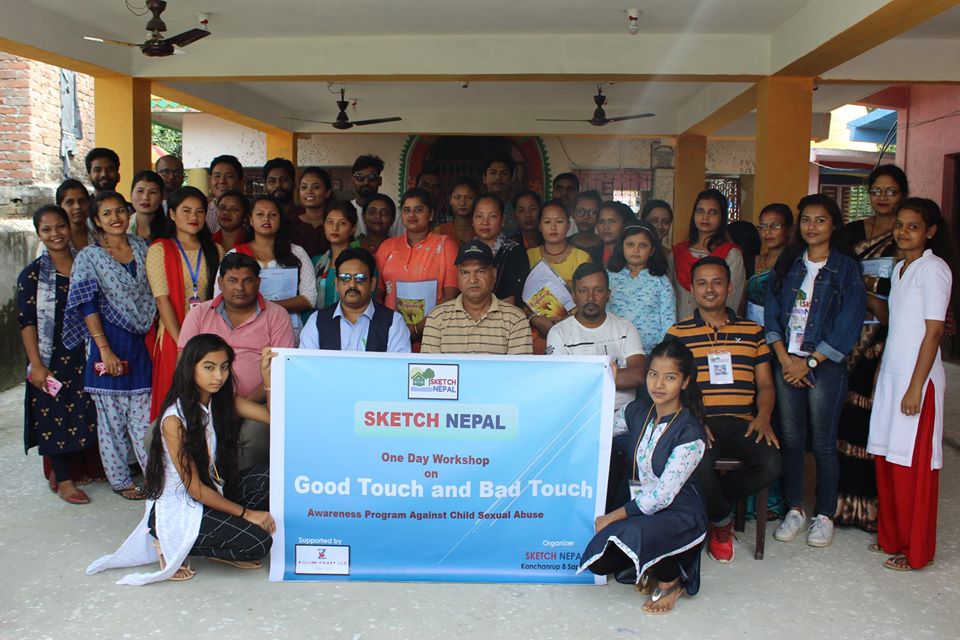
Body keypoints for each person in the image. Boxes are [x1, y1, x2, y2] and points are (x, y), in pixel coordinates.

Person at [86, 335, 277, 585]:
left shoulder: (224, 400)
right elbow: (194, 489)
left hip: (213, 489)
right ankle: (168, 539)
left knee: (272, 476)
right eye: (209, 367)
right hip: (182, 505)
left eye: (224, 367)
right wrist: (246, 513)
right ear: (190, 368)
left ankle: (222, 532)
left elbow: (274, 417)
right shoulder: (174, 420)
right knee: (259, 542)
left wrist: (267, 377)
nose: (218, 376)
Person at [765, 194, 866, 548]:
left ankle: (824, 514)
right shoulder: (789, 263)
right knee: (792, 440)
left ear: (834, 225)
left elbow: (849, 322)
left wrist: (808, 363)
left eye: (820, 220)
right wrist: (785, 359)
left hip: (824, 366)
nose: (812, 226)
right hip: (787, 361)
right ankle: (795, 508)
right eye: (806, 219)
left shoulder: (846, 268)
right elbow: (772, 313)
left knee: (823, 442)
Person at [578, 338, 708, 616]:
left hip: (680, 514)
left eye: (670, 377)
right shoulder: (637, 412)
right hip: (642, 510)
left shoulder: (690, 433)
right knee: (600, 561)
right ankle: (650, 565)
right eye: (653, 374)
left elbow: (662, 496)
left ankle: (672, 580)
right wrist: (606, 383)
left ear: (685, 382)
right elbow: (600, 429)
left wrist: (612, 517)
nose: (658, 384)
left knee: (634, 532)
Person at [666, 256, 781, 564]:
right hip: (700, 422)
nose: (710, 289)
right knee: (696, 461)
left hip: (744, 422)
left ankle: (714, 507)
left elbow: (766, 385)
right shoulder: (678, 333)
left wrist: (763, 417)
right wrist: (692, 421)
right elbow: (671, 386)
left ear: (730, 287)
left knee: (772, 463)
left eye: (717, 282)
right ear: (691, 289)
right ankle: (721, 523)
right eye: (702, 283)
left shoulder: (753, 331)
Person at [868, 198, 955, 571]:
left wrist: (916, 386)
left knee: (911, 465)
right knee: (888, 458)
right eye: (899, 225)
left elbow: (933, 332)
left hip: (917, 380)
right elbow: (897, 322)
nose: (903, 232)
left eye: (913, 226)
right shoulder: (901, 267)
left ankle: (915, 549)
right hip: (894, 375)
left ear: (930, 231)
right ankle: (891, 537)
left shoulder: (933, 270)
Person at [63, 191, 156, 500]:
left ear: (129, 213)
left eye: (120, 211)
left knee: (144, 422)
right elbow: (87, 304)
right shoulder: (90, 257)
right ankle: (121, 481)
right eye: (107, 213)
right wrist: (104, 349)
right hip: (108, 343)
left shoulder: (142, 248)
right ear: (97, 221)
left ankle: (155, 478)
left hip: (141, 344)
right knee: (111, 421)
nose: (115, 218)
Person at [835, 164, 907, 532]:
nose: (882, 197)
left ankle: (870, 506)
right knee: (844, 417)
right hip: (848, 331)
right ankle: (844, 503)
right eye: (876, 190)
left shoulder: (906, 237)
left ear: (902, 195)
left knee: (870, 419)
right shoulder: (852, 233)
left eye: (890, 191)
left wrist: (866, 290)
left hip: (883, 337)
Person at [179, 253, 295, 469]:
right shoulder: (199, 313)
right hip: (204, 400)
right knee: (158, 431)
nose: (240, 287)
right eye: (232, 280)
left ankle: (242, 488)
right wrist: (214, 402)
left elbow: (281, 370)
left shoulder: (277, 315)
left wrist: (241, 404)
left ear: (258, 282)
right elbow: (184, 364)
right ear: (220, 282)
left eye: (247, 280)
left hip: (257, 402)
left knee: (253, 436)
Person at [18, 205, 101, 504]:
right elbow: (27, 323)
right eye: (47, 229)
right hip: (50, 355)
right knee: (53, 415)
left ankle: (86, 469)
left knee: (87, 410)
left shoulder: (87, 264)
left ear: (69, 227)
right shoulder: (32, 275)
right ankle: (65, 480)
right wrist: (36, 365)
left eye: (60, 226)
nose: (55, 234)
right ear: (39, 234)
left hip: (86, 352)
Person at [547, 262, 646, 510]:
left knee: (644, 456)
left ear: (608, 294)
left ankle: (617, 515)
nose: (590, 297)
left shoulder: (625, 328)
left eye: (598, 290)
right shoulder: (559, 333)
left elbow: (638, 375)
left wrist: (586, 377)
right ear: (573, 295)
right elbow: (561, 385)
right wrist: (613, 373)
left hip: (623, 421)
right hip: (579, 421)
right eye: (583, 291)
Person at [146, 186, 223, 421]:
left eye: (199, 211)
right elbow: (162, 299)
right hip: (173, 335)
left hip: (209, 332)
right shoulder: (159, 249)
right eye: (186, 210)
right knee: (175, 403)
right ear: (172, 214)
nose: (193, 217)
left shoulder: (216, 250)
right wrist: (184, 344)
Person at [375, 187, 459, 348]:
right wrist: (391, 327)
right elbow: (377, 295)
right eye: (407, 210)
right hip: (391, 334)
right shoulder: (387, 247)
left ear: (431, 214)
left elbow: (451, 297)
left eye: (418, 210)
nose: (412, 215)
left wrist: (416, 329)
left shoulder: (446, 246)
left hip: (433, 333)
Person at [226, 195, 317, 339]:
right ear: (250, 220)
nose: (266, 219)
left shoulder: (296, 253)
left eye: (273, 215)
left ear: (280, 220)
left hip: (289, 331)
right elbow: (221, 296)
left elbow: (309, 298)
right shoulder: (235, 254)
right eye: (260, 214)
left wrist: (268, 306)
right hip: (246, 332)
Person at [421, 240, 531, 355]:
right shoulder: (437, 317)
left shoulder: (515, 318)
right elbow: (430, 366)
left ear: (494, 274)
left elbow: (519, 366)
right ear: (457, 276)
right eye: (465, 273)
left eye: (480, 271)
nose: (473, 280)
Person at [301, 248, 410, 352]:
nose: (352, 284)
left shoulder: (393, 322)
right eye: (345, 278)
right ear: (337, 283)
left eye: (360, 278)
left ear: (372, 283)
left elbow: (400, 364)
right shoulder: (316, 321)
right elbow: (305, 363)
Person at [525, 199, 592, 349]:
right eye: (547, 222)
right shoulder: (528, 256)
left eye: (559, 221)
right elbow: (520, 299)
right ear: (539, 226)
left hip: (574, 331)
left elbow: (589, 297)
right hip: (534, 332)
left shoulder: (582, 258)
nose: (553, 227)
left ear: (568, 225)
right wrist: (535, 320)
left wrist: (566, 320)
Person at [671, 189, 746, 320]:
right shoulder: (676, 254)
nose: (705, 217)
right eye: (700, 211)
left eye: (713, 212)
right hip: (680, 327)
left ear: (722, 216)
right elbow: (669, 299)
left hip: (718, 328)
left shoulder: (732, 255)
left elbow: (731, 300)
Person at [607, 223, 675, 355]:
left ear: (652, 250)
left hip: (651, 353)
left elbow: (668, 321)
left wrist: (660, 352)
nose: (636, 250)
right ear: (621, 247)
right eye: (630, 244)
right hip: (615, 350)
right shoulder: (609, 278)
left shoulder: (661, 281)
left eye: (643, 245)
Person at [473, 193, 529, 306]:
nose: (485, 222)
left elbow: (513, 298)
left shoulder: (514, 251)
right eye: (479, 216)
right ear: (472, 220)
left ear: (502, 220)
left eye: (492, 216)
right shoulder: (467, 251)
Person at [745, 203, 792, 326]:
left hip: (782, 328)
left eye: (775, 226)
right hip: (751, 328)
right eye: (762, 226)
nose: (767, 231)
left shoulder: (795, 265)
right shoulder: (752, 262)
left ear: (790, 229)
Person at [313, 200, 362, 310]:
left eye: (342, 223)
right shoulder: (316, 262)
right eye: (330, 222)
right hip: (318, 319)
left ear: (353, 228)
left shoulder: (362, 263)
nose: (335, 228)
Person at [292, 166, 333, 259]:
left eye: (316, 187)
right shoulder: (290, 225)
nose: (309, 191)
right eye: (304, 187)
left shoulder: (335, 224)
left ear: (327, 192)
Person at [435, 176, 479, 245]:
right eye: (457, 197)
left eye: (469, 198)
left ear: (476, 200)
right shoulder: (439, 231)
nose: (462, 203)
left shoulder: (482, 229)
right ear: (450, 200)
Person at [481, 153, 518, 236]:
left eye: (504, 173)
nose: (498, 177)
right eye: (493, 173)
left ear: (511, 179)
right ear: (484, 178)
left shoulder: (517, 208)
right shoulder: (475, 207)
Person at [205, 155, 244, 232]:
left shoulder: (251, 213)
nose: (222, 181)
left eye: (229, 176)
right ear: (209, 181)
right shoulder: (202, 212)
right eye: (217, 176)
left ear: (240, 182)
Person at [350, 154, 386, 236]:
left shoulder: (392, 212)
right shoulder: (345, 211)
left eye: (372, 177)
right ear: (353, 180)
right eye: (360, 177)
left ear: (380, 181)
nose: (366, 182)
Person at [128, 170, 167, 243]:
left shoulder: (170, 229)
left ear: (161, 198)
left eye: (152, 192)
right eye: (140, 191)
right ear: (131, 195)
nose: (145, 197)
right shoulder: (123, 227)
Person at [56, 179, 94, 250]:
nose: (77, 206)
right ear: (60, 207)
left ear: (89, 203)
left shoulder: (99, 235)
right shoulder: (53, 242)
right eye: (70, 203)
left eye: (81, 201)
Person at [569, 190, 605, 263]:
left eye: (592, 213)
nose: (585, 217)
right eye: (580, 211)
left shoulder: (606, 246)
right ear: (573, 213)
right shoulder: (564, 244)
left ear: (599, 215)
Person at [597, 201, 637, 266]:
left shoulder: (634, 254)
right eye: (601, 221)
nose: (605, 227)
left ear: (625, 223)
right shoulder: (592, 255)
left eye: (612, 221)